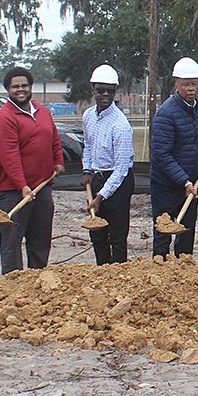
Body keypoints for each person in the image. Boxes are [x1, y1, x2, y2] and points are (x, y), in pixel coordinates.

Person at [0, 68, 63, 272]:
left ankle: (38, 278)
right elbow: (8, 157)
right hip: (12, 191)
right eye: (15, 86)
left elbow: (54, 139)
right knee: (12, 241)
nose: (20, 90)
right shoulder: (4, 118)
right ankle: (13, 284)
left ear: (31, 88)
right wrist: (22, 185)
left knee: (40, 238)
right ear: (7, 90)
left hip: (41, 187)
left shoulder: (43, 112)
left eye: (24, 85)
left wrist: (58, 161)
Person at [150, 57, 198, 258]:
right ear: (176, 85)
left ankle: (183, 273)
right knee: (164, 231)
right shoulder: (165, 115)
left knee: (186, 232)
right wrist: (183, 181)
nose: (190, 88)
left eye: (193, 84)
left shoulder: (197, 105)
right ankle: (159, 273)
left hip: (190, 182)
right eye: (185, 84)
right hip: (165, 185)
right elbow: (162, 155)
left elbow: (196, 133)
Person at [81, 64, 134, 265]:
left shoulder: (120, 125)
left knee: (117, 236)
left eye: (110, 90)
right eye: (101, 89)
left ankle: (117, 275)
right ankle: (102, 272)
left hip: (118, 183)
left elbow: (121, 169)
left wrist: (101, 197)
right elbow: (88, 145)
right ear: (92, 89)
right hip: (97, 177)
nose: (105, 94)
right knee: (97, 232)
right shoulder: (88, 116)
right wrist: (87, 170)